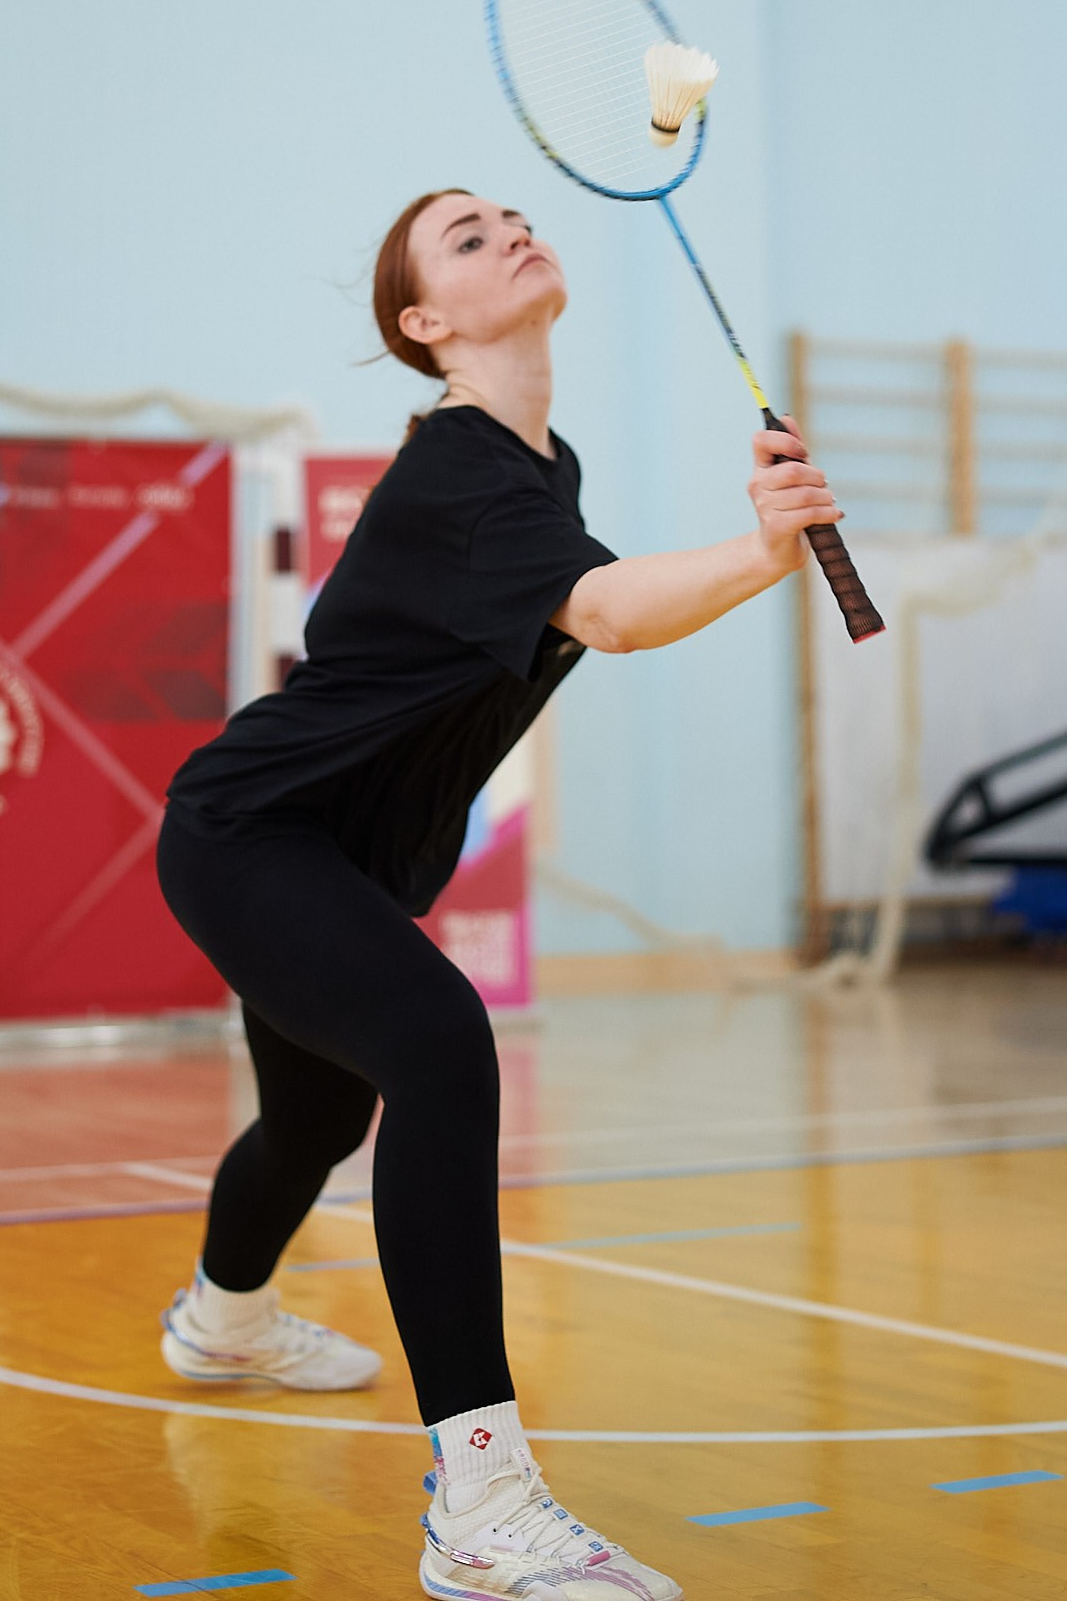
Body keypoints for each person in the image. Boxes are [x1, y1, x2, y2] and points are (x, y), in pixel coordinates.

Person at [151, 187, 842, 1599]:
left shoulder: (542, 466)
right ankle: (483, 1501)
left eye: (513, 214)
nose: (512, 228)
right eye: (469, 236)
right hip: (255, 830)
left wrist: (750, 545)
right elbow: (608, 614)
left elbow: (585, 589)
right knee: (439, 1048)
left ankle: (223, 1319)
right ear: (428, 324)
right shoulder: (458, 467)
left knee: (319, 1112)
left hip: (339, 856)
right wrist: (768, 549)